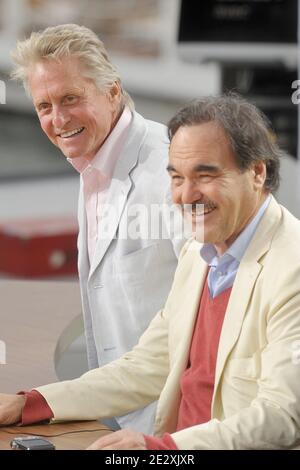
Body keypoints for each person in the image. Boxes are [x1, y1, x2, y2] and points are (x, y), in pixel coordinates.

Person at [1, 94, 300, 450]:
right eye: (176, 178)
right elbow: (146, 366)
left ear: (257, 172)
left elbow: (281, 416)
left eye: (205, 175)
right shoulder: (199, 253)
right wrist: (31, 403)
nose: (186, 195)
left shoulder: (291, 268)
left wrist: (159, 449)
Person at [9, 24, 182, 433]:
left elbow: (212, 319)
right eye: (44, 106)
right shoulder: (95, 162)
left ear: (112, 91)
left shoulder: (171, 172)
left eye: (71, 98)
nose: (58, 119)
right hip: (123, 416)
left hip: (178, 427)